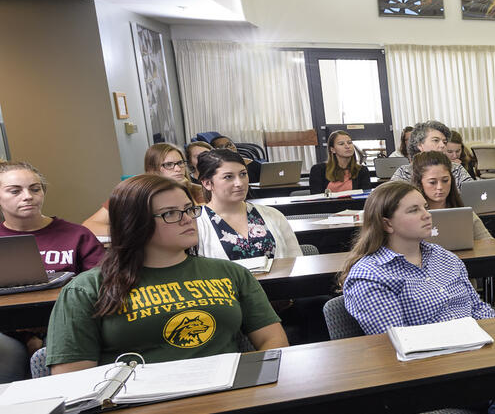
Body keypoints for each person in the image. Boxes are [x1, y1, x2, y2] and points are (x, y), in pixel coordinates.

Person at [46, 174, 287, 373]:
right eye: (170, 213)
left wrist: (252, 383)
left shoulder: (230, 273)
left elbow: (272, 340)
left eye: (189, 210)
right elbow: (72, 376)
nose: (187, 220)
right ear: (134, 223)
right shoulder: (86, 288)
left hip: (227, 394)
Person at [337, 181, 495, 413]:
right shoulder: (370, 276)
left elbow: (477, 308)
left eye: (425, 207)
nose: (427, 215)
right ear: (387, 223)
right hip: (431, 373)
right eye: (414, 210)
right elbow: (399, 344)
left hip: (476, 353)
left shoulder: (443, 257)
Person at [0, 162, 108, 383]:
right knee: (8, 355)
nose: (28, 196)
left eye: (35, 188)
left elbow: (102, 284)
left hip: (65, 322)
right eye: (15, 191)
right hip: (6, 328)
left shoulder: (76, 235)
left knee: (57, 349)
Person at [192, 150, 303, 261]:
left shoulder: (273, 215)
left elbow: (297, 262)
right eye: (228, 177)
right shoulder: (196, 224)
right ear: (207, 183)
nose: (239, 183)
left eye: (243, 174)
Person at [82, 143, 207, 236]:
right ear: (153, 169)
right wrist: (133, 234)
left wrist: (185, 191)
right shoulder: (134, 193)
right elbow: (89, 225)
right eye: (168, 165)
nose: (178, 169)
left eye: (180, 163)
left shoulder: (199, 191)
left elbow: (204, 224)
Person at [410, 152, 492, 241]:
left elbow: (488, 243)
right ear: (419, 183)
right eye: (432, 182)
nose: (440, 187)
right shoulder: (411, 217)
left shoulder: (464, 214)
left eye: (445, 180)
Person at [389, 120, 473, 187]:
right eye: (436, 140)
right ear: (419, 145)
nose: (442, 145)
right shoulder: (404, 172)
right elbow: (390, 201)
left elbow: (475, 193)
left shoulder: (456, 169)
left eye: (444, 142)